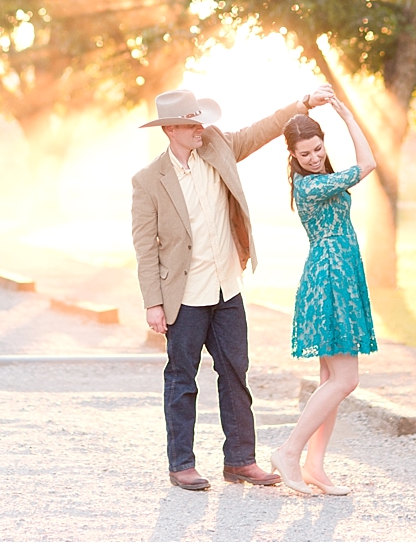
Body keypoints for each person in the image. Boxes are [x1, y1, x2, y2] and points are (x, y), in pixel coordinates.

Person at [130, 82, 338, 491]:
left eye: (200, 122)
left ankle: (241, 460)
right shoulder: (148, 180)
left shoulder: (219, 145)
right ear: (170, 129)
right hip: (184, 297)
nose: (200, 129)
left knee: (235, 375)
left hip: (227, 288)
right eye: (191, 125)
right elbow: (144, 247)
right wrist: (153, 303)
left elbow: (263, 129)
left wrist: (303, 103)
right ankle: (182, 464)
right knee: (181, 379)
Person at [269, 100, 378, 494]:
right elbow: (368, 164)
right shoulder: (310, 186)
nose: (314, 158)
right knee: (346, 379)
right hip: (330, 277)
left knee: (330, 380)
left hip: (339, 274)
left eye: (318, 149)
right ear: (293, 156)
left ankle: (314, 466)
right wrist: (348, 115)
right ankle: (288, 452)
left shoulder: (323, 177)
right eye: (305, 154)